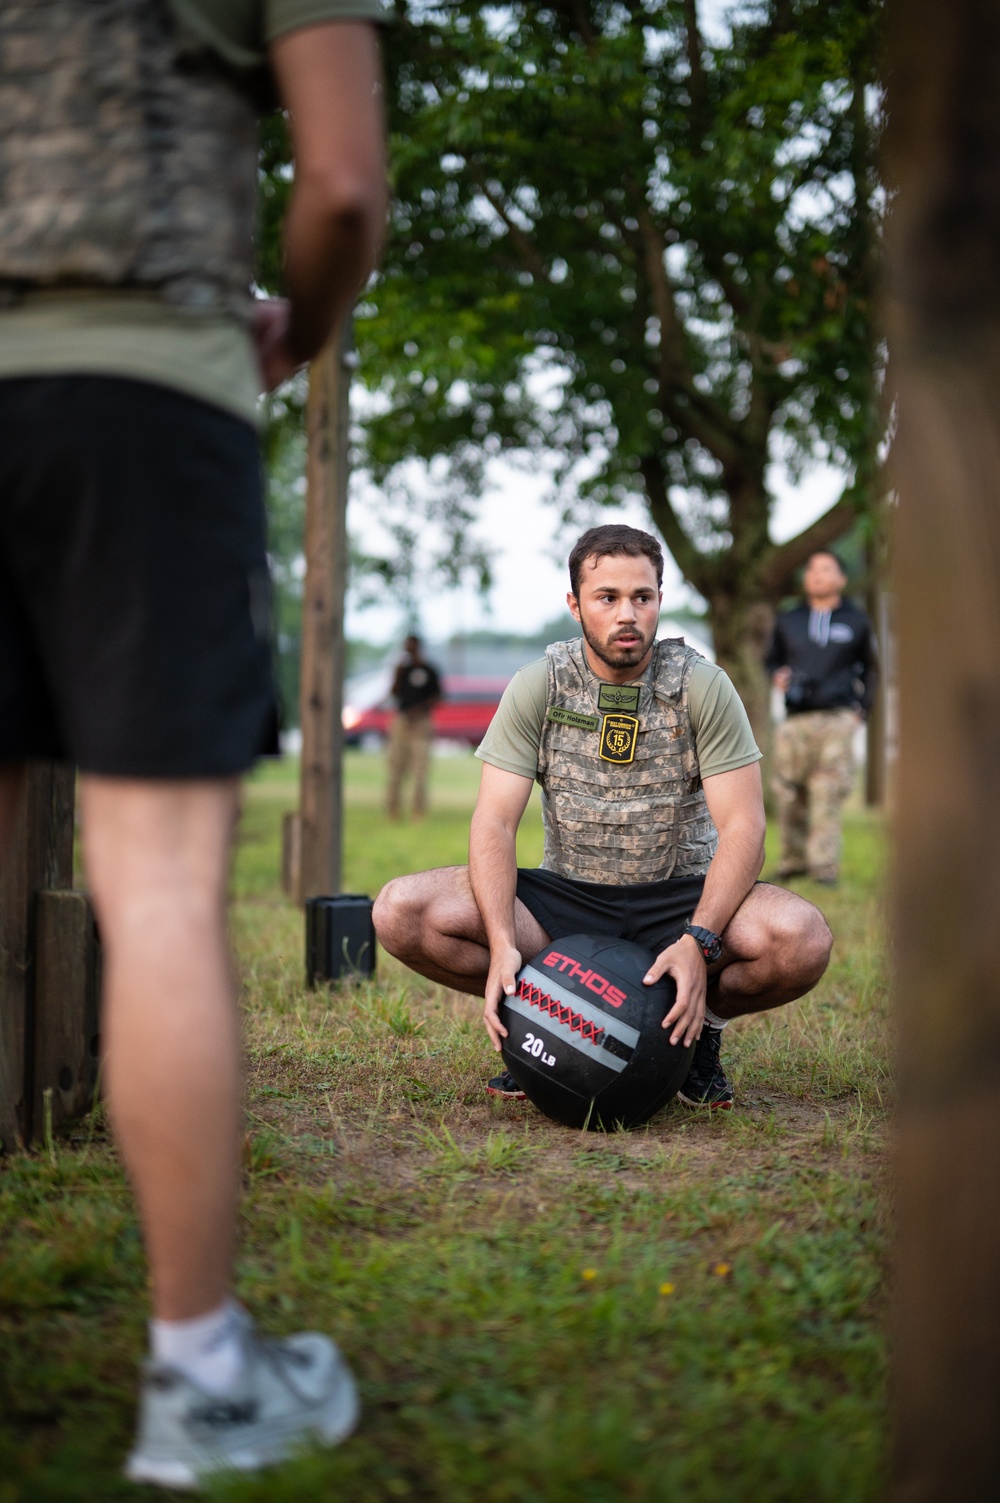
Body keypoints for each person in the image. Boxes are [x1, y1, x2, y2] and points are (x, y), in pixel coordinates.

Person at [0, 0, 385, 1486]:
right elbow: (341, 184)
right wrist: (307, 321)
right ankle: (202, 1376)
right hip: (143, 380)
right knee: (155, 888)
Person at [373, 524, 833, 1112]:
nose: (627, 614)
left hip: (680, 900)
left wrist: (699, 938)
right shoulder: (539, 684)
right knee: (400, 911)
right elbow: (493, 823)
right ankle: (541, 1018)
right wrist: (503, 942)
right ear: (575, 604)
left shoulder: (702, 687)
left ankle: (700, 1034)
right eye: (607, 597)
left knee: (801, 939)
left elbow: (745, 826)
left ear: (660, 600)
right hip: (564, 904)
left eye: (642, 597)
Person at [766, 549, 879, 886]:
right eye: (812, 569)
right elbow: (771, 661)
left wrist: (863, 710)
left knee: (827, 790)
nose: (817, 575)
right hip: (795, 720)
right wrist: (778, 675)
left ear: (841, 579)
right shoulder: (789, 619)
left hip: (837, 717)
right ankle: (793, 860)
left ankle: (824, 867)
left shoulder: (856, 620)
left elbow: (872, 668)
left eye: (826, 569)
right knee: (788, 792)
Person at [386, 633, 442, 819]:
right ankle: (393, 810)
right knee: (395, 768)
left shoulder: (429, 670)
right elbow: (393, 692)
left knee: (420, 769)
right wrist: (397, 673)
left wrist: (419, 709)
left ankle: (417, 811)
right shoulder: (402, 669)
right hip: (402, 722)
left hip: (421, 723)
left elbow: (438, 696)